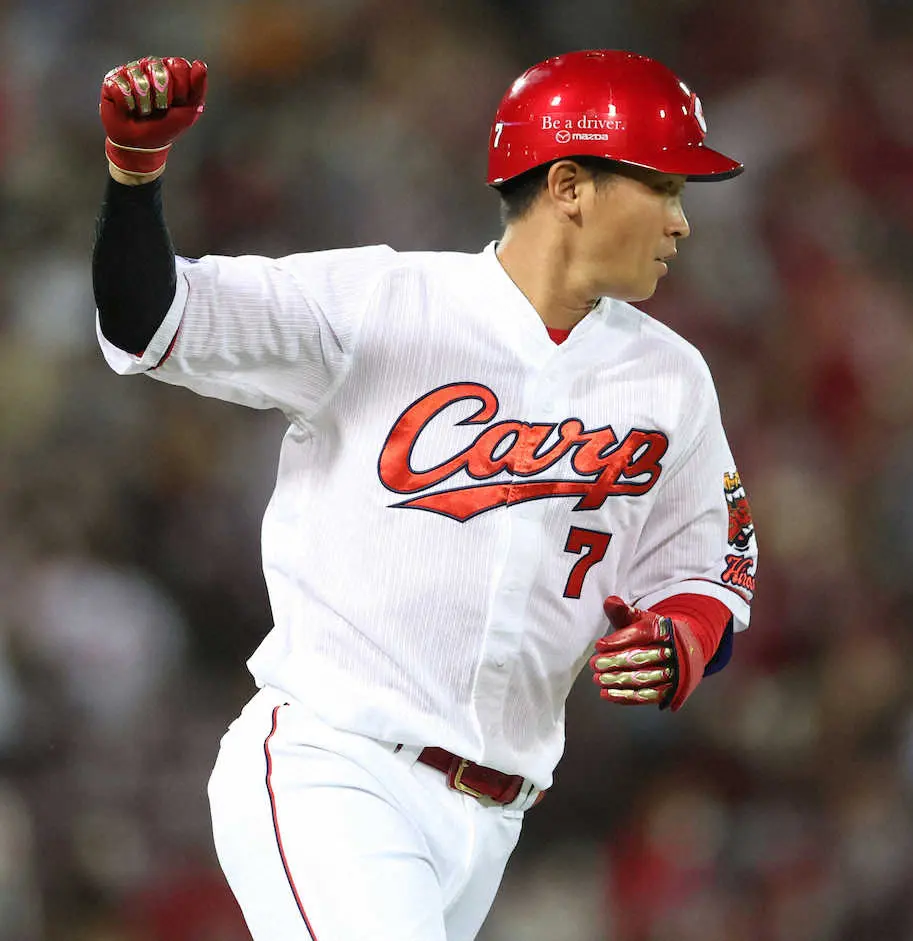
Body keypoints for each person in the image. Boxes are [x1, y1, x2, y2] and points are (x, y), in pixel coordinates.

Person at [92, 49, 758, 941]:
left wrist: (683, 637)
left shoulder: (671, 378)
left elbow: (712, 570)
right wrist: (135, 175)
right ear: (569, 186)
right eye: (664, 188)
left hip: (493, 817)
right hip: (339, 766)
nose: (681, 221)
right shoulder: (382, 301)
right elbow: (151, 317)